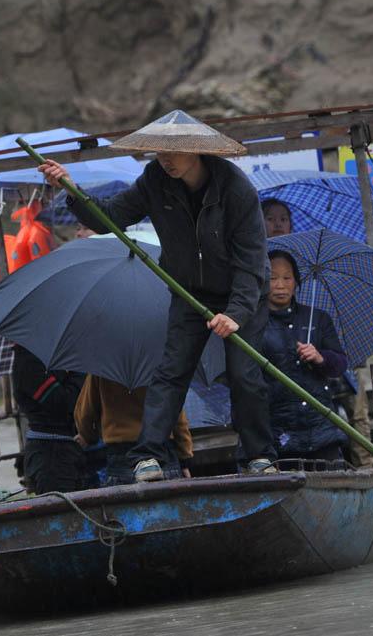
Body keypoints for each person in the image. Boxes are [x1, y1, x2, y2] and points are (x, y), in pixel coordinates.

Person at [38, 109, 277, 481]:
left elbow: (252, 259)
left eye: (174, 152)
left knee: (244, 373)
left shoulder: (236, 189)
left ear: (197, 150)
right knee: (170, 371)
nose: (166, 160)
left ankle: (258, 456)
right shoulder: (155, 180)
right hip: (189, 291)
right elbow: (110, 218)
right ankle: (147, 456)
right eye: (159, 153)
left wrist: (236, 312)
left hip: (242, 293)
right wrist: (70, 189)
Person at [263, 250, 349, 461]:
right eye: (272, 278)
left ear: (296, 281)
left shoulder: (318, 319)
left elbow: (339, 365)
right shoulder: (254, 324)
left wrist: (320, 357)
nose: (280, 285)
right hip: (279, 434)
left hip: (321, 428)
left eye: (287, 278)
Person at [73, 374, 193, 485]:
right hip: (163, 451)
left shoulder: (102, 367)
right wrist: (184, 458)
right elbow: (177, 416)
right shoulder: (162, 364)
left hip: (121, 456)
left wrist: (90, 437)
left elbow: (84, 415)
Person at [12, 344, 87, 494]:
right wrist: (80, 370)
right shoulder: (29, 362)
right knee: (64, 514)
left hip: (64, 451)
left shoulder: (44, 355)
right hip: (51, 457)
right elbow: (63, 403)